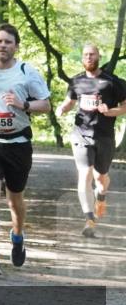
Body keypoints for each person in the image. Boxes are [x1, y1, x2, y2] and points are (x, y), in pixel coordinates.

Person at [0, 23, 51, 276]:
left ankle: (17, 235)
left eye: (8, 42)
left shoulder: (26, 72)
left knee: (15, 200)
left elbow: (46, 105)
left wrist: (23, 103)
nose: (3, 45)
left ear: (16, 46)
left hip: (18, 145)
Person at [57, 44, 126, 236]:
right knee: (85, 173)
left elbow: (125, 106)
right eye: (85, 54)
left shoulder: (112, 82)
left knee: (100, 178)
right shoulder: (76, 80)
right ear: (82, 58)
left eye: (92, 54)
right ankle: (89, 220)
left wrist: (110, 111)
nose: (88, 57)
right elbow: (70, 101)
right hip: (81, 133)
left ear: (98, 56)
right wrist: (62, 109)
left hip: (104, 135)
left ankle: (101, 196)